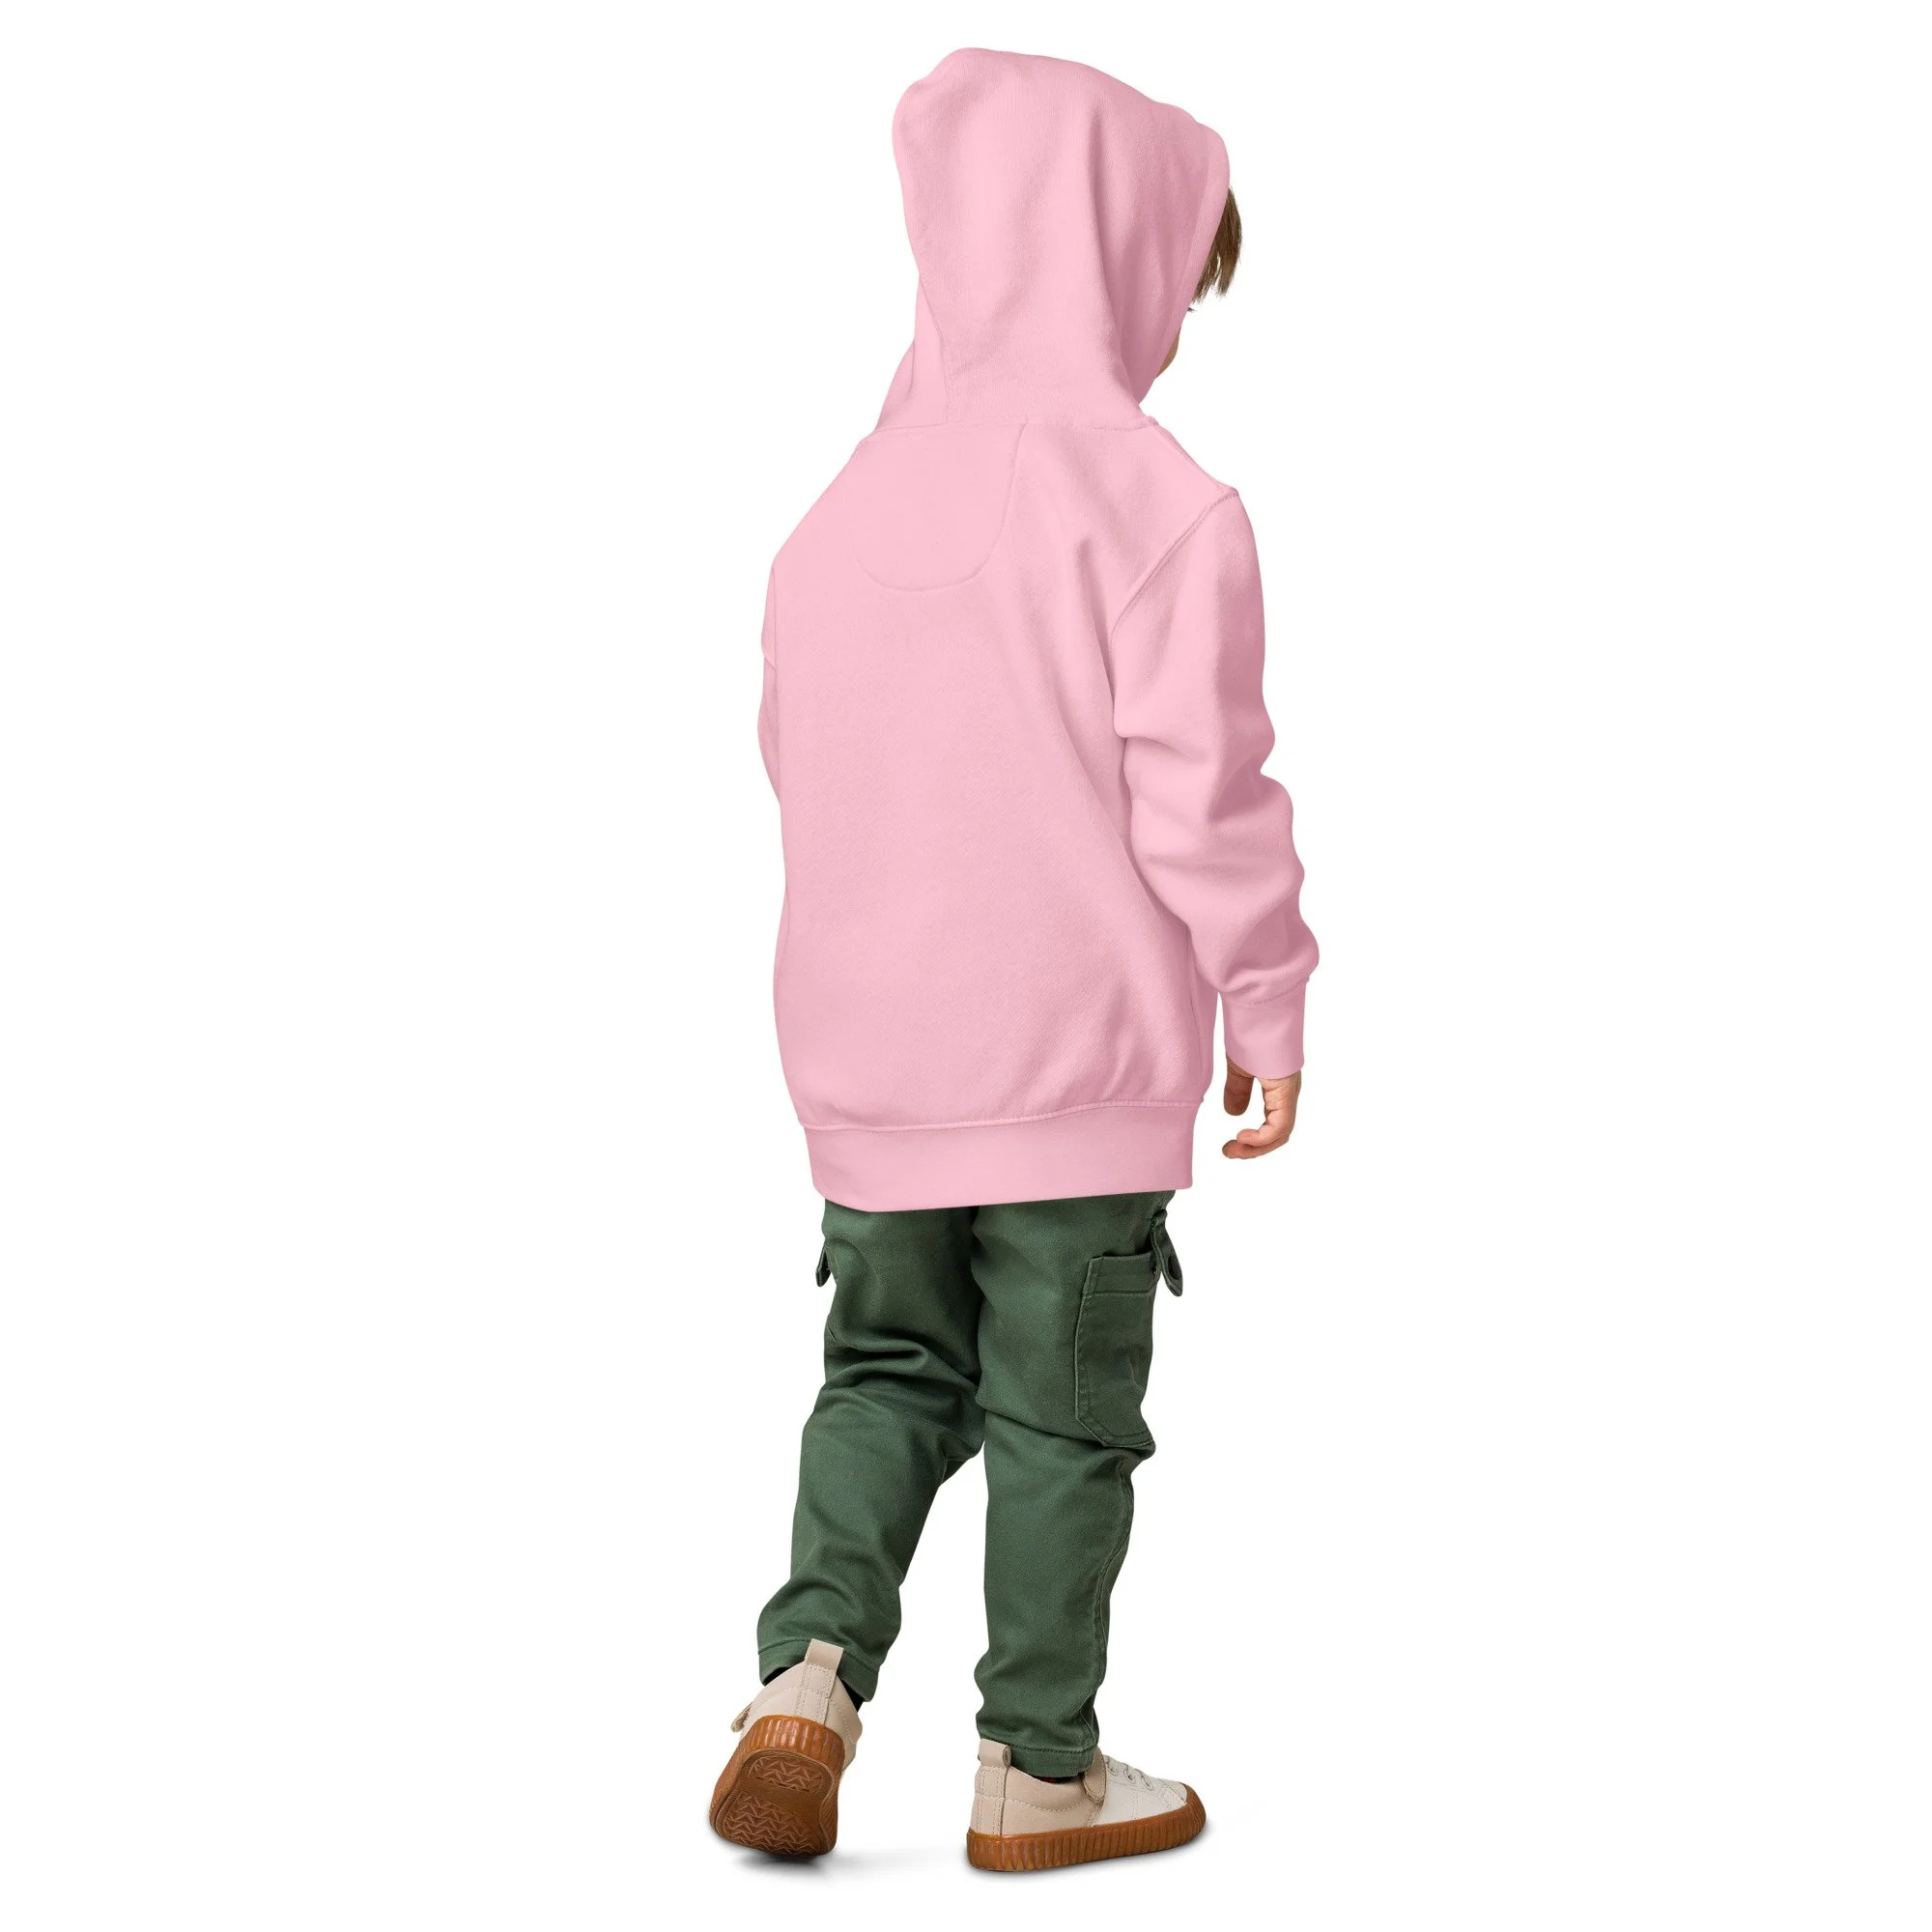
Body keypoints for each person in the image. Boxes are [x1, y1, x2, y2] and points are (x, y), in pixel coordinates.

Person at [710, 48, 1318, 1871]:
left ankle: (805, 1681)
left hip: (870, 1074)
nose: (1176, 332)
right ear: (1105, 250)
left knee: (885, 1373)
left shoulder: (832, 512)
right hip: (1076, 1068)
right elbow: (1206, 797)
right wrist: (1267, 993)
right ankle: (1036, 1768)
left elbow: (797, 764)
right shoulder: (1158, 502)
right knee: (1063, 1420)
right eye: (1177, 284)